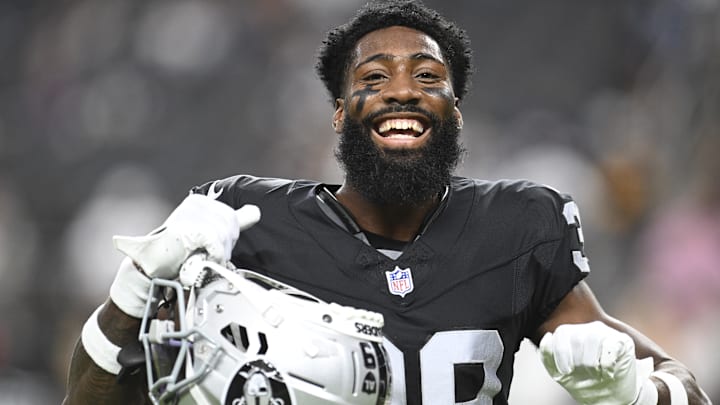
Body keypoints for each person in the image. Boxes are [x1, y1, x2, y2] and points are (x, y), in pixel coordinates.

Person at [63, 1, 711, 404]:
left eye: (427, 78)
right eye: (374, 79)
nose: (402, 91)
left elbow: (688, 388)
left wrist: (632, 393)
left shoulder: (518, 228)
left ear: (455, 111)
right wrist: (136, 287)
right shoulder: (246, 223)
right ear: (341, 114)